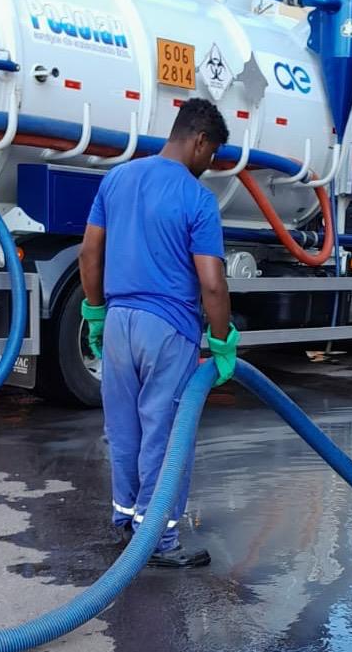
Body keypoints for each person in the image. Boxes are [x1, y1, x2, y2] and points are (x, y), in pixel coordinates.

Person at [77, 98, 239, 569]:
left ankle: (126, 525)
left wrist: (95, 313)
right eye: (211, 155)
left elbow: (90, 254)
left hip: (120, 323)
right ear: (200, 140)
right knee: (165, 435)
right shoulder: (196, 199)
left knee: (123, 430)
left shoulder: (118, 179)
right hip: (168, 328)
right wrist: (223, 340)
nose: (210, 166)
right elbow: (211, 281)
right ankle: (158, 542)